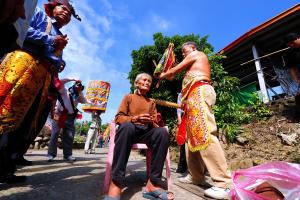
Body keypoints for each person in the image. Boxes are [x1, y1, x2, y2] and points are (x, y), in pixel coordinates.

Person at [0, 0, 80, 184]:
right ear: (52, 7)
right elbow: (22, 30)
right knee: (7, 112)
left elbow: (52, 55)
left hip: (41, 77)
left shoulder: (60, 35)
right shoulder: (38, 15)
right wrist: (51, 40)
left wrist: (58, 61)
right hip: (23, 64)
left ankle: (7, 166)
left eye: (69, 13)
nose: (66, 14)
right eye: (63, 8)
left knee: (25, 120)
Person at [159, 42, 231, 199]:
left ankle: (223, 183)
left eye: (185, 51)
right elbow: (173, 74)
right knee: (191, 139)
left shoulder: (197, 54)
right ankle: (196, 176)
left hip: (199, 91)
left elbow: (174, 70)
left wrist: (163, 74)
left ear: (193, 48)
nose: (184, 54)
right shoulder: (190, 66)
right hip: (191, 97)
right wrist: (166, 72)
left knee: (204, 133)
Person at [105, 73, 174, 200]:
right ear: (136, 83)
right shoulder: (128, 97)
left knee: (162, 132)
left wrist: (152, 122)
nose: (148, 82)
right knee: (126, 126)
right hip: (130, 130)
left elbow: (154, 122)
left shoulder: (151, 102)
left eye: (149, 81)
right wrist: (135, 118)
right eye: (145, 80)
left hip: (146, 132)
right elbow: (119, 118)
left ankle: (152, 184)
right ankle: (116, 183)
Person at [47, 80, 87, 162]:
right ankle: (51, 154)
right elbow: (61, 81)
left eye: (80, 86)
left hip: (70, 117)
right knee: (54, 134)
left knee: (69, 136)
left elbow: (84, 101)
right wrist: (73, 79)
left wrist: (80, 91)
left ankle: (68, 155)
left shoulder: (78, 96)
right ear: (73, 85)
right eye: (77, 85)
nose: (79, 86)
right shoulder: (64, 91)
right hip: (59, 114)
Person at [175, 93, 188, 174]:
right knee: (183, 141)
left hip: (194, 116)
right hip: (184, 117)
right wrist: (179, 118)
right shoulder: (181, 94)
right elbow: (178, 106)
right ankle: (182, 166)